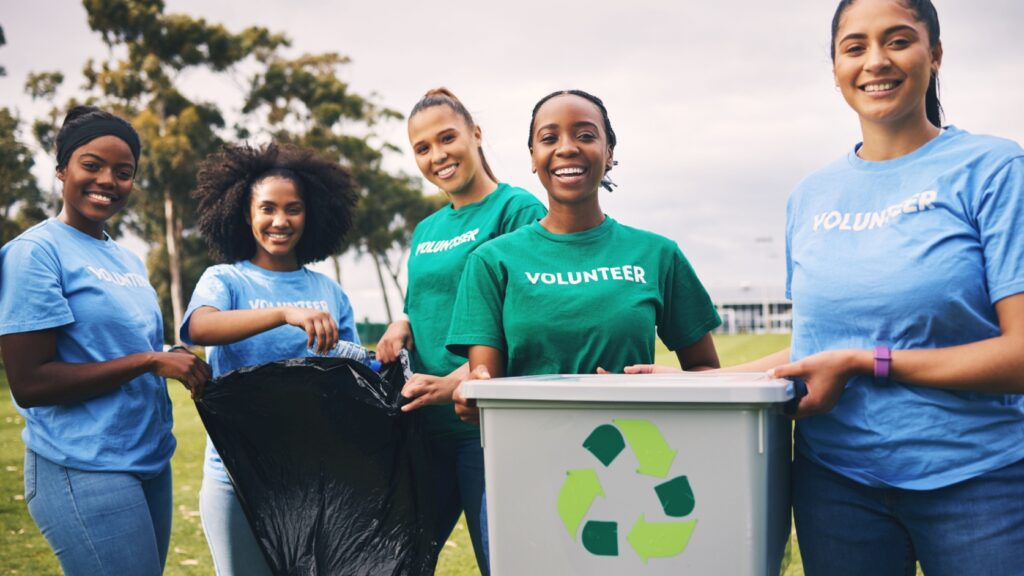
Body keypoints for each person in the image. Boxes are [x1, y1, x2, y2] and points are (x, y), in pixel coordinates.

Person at [630, 1, 1024, 573]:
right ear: (836, 67)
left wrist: (867, 363)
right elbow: (818, 346)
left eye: (898, 40)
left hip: (976, 485)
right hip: (836, 488)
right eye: (855, 47)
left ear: (934, 54)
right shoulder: (812, 197)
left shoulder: (993, 169)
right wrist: (704, 383)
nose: (876, 62)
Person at [0, 106, 211, 576]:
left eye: (123, 172)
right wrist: (149, 361)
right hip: (82, 465)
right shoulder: (34, 254)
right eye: (91, 165)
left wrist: (168, 355)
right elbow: (30, 382)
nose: (107, 180)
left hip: (148, 461)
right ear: (61, 170)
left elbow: (132, 346)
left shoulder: (127, 260)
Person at [447, 89, 721, 416]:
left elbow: (706, 372)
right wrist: (471, 399)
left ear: (608, 152)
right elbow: (483, 395)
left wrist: (653, 390)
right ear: (533, 157)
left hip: (639, 454)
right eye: (550, 138)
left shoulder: (658, 254)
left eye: (586, 135)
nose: (567, 148)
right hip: (529, 453)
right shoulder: (491, 262)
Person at [374, 87, 546, 574]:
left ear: (475, 134)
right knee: (394, 563)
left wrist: (458, 380)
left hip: (485, 428)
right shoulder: (427, 229)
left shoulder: (517, 211)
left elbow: (525, 320)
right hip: (423, 433)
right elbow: (421, 300)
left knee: (507, 563)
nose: (437, 156)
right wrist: (400, 322)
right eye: (422, 148)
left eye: (447, 138)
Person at [181, 142, 360, 576]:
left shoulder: (329, 292)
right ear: (246, 213)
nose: (280, 221)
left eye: (293, 209)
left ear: (309, 215)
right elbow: (198, 327)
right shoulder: (226, 278)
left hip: (312, 477)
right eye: (267, 208)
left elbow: (355, 370)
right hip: (236, 477)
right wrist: (283, 314)